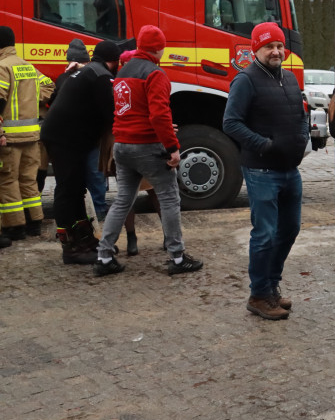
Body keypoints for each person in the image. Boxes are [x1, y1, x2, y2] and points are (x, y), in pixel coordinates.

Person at [94, 25, 203, 277]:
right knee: (169, 198)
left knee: (122, 200)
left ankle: (104, 255)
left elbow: (129, 110)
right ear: (160, 49)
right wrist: (172, 147)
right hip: (147, 146)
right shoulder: (155, 74)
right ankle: (177, 258)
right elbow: (159, 114)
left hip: (121, 145)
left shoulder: (123, 72)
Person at [224, 22, 309, 320]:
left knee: (290, 229)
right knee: (265, 234)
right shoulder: (245, 80)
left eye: (279, 46)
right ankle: (258, 294)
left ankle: (271, 285)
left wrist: (302, 137)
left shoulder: (289, 78)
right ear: (255, 49)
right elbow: (231, 123)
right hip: (262, 170)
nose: (275, 51)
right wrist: (264, 145)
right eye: (268, 46)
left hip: (290, 169)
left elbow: (301, 114)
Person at [41, 40, 121, 264]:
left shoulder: (89, 71)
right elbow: (112, 114)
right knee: (67, 189)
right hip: (64, 138)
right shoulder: (101, 76)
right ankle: (70, 247)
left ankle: (84, 239)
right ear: (114, 62)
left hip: (64, 135)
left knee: (76, 189)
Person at [0, 25, 54, 241]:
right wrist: (32, 98)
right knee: (28, 180)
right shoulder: (28, 67)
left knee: (7, 181)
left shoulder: (2, 67)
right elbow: (49, 86)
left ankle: (15, 227)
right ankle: (35, 223)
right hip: (32, 136)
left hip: (10, 138)